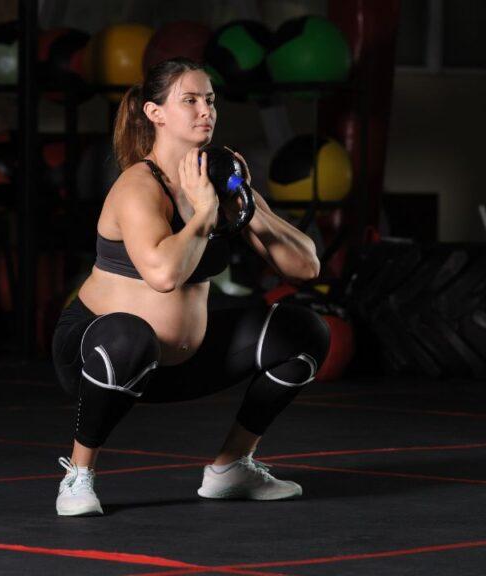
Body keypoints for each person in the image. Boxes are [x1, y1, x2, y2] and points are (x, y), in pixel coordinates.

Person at [50, 57, 330, 517]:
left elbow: (305, 267)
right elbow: (163, 276)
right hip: (99, 354)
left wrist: (244, 202)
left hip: (181, 361)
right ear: (155, 112)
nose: (206, 111)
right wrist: (202, 215)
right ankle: (78, 473)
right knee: (129, 335)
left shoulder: (216, 180)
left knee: (302, 330)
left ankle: (231, 467)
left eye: (211, 100)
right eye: (190, 100)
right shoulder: (137, 186)